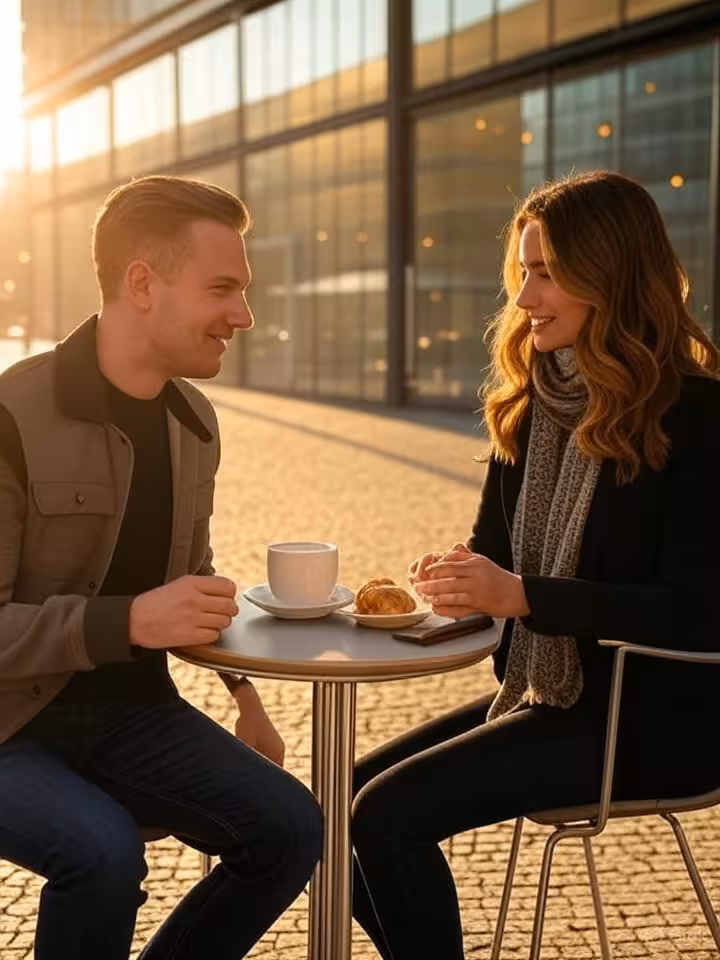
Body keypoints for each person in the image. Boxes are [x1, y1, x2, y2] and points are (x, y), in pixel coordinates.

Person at [350, 170, 720, 960]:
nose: (525, 298)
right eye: (524, 272)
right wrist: (463, 577)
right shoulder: (530, 406)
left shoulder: (698, 414)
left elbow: (697, 610)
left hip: (655, 721)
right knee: (334, 802)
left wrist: (526, 597)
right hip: (550, 699)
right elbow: (497, 557)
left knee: (383, 814)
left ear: (610, 274)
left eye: (546, 272)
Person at [0, 175, 322, 960]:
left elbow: (195, 576)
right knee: (105, 854)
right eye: (224, 289)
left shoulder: (194, 423)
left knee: (290, 826)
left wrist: (244, 693)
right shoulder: (11, 416)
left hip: (132, 716)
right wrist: (128, 620)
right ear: (142, 283)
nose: (243, 315)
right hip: (8, 728)